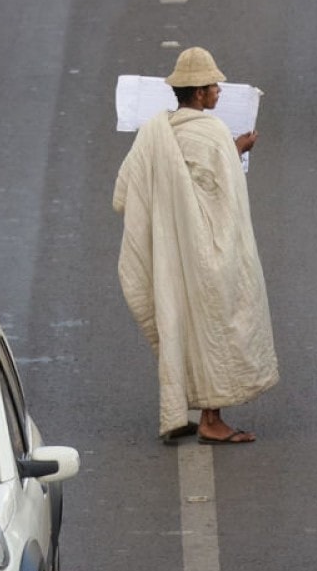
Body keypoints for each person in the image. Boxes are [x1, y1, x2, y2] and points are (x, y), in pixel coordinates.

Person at [113, 46, 279, 445]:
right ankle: (210, 418)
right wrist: (237, 150)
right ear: (200, 92)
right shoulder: (214, 132)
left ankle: (179, 410)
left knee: (181, 324)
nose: (219, 91)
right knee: (214, 325)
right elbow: (222, 190)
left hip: (172, 251)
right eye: (214, 86)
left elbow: (125, 191)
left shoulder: (156, 132)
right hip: (207, 251)